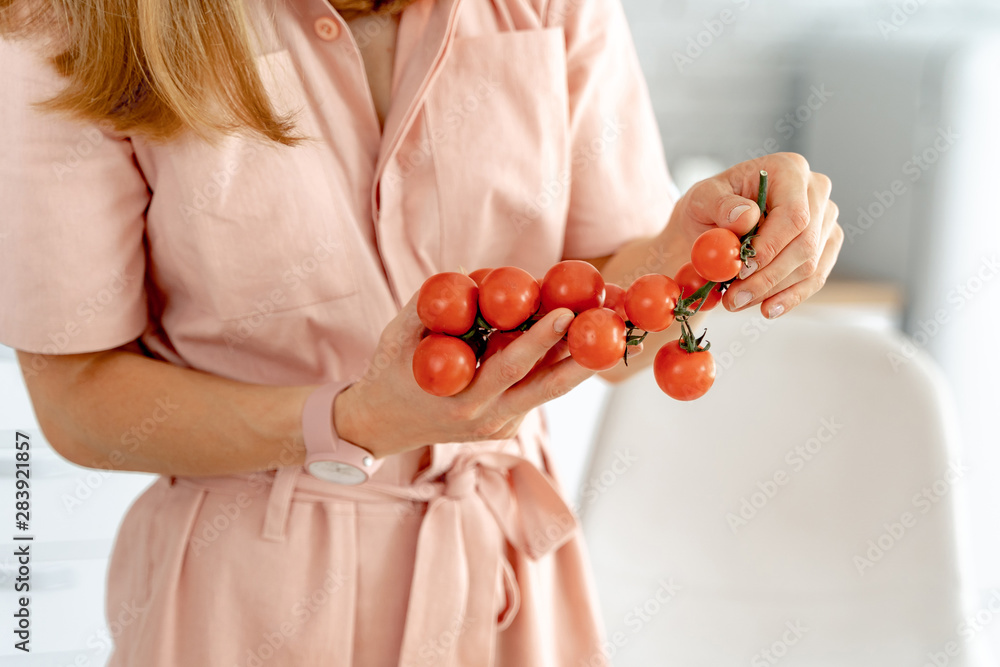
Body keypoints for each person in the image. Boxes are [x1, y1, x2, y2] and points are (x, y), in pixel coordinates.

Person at [0, 0, 843, 663]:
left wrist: (685, 259)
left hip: (508, 584)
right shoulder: (77, 20)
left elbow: (606, 334)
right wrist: (356, 420)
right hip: (242, 601)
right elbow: (78, 399)